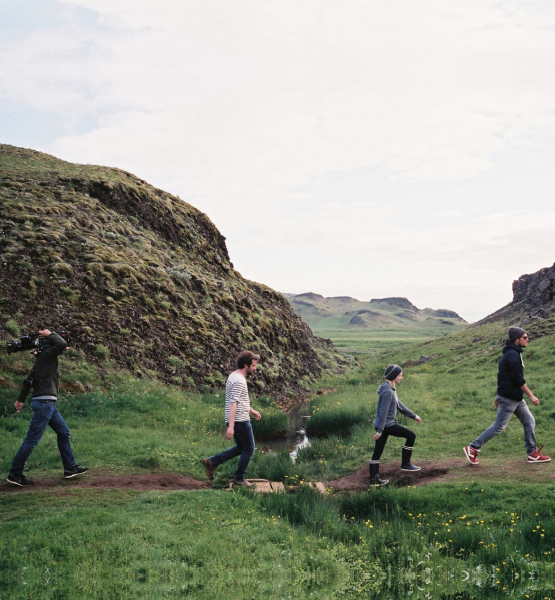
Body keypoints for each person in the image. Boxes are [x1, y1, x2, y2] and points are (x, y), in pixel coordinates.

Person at [6, 329, 89, 487]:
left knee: (63, 432)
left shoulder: (41, 358)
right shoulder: (46, 356)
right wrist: (49, 333)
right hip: (45, 403)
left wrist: (21, 400)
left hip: (46, 403)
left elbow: (28, 381)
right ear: (50, 347)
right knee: (32, 440)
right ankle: (15, 473)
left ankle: (70, 468)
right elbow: (61, 343)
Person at [464, 327, 550, 465]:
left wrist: (498, 395)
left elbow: (502, 376)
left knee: (529, 421)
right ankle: (473, 447)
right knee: (499, 427)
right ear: (516, 339)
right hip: (510, 398)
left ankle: (532, 454)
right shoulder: (512, 355)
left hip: (515, 397)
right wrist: (531, 396)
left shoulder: (512, 353)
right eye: (525, 337)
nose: (528, 339)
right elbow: (518, 379)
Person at [202, 351, 262, 486]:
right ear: (246, 365)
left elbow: (239, 400)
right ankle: (239, 479)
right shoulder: (239, 381)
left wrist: (251, 411)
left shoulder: (234, 376)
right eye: (253, 366)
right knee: (249, 449)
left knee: (241, 447)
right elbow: (233, 403)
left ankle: (212, 461)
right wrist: (231, 426)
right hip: (240, 420)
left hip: (239, 418)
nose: (255, 368)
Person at [369, 364, 423, 485]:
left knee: (378, 451)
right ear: (393, 376)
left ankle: (374, 479)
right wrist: (379, 432)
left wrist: (414, 416)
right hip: (386, 426)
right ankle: (406, 464)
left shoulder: (389, 387)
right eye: (399, 375)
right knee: (411, 436)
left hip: (382, 425)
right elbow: (383, 413)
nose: (401, 377)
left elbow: (399, 406)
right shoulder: (388, 392)